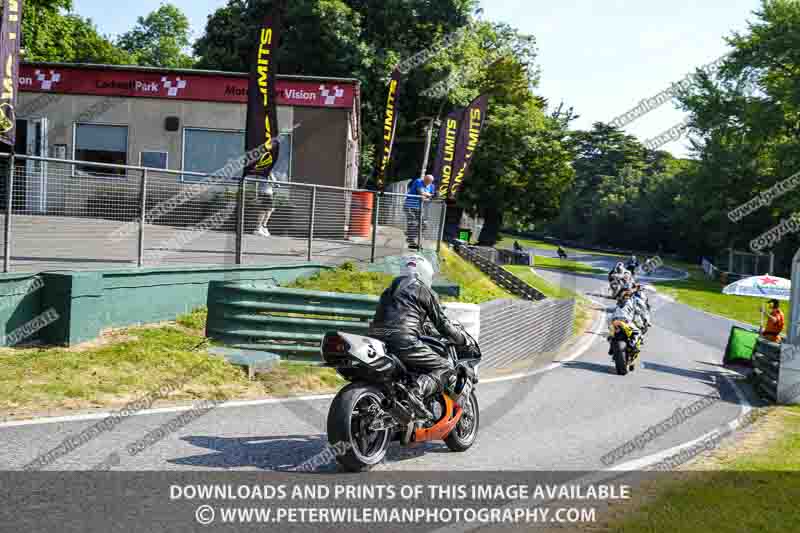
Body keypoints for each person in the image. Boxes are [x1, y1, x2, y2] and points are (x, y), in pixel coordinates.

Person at [368, 255, 466, 418]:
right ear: (423, 273)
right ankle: (417, 392)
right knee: (445, 367)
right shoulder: (423, 289)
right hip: (403, 341)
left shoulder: (388, 291)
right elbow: (442, 324)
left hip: (377, 340)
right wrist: (461, 339)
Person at [404, 174, 435, 249]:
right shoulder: (418, 181)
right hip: (410, 206)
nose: (426, 183)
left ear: (431, 182)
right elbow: (421, 193)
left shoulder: (431, 186)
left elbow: (429, 198)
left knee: (424, 224)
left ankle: (411, 236)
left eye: (428, 182)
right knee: (413, 222)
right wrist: (430, 196)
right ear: (424, 178)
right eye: (426, 180)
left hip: (420, 207)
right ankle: (411, 241)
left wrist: (429, 196)